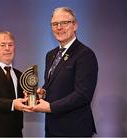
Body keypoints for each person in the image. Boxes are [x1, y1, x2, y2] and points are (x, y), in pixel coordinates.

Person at [31, 7, 98, 137]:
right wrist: (42, 92)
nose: (59, 27)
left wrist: (50, 107)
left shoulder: (85, 54)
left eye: (64, 23)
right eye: (55, 24)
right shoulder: (50, 55)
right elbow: (53, 85)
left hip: (74, 129)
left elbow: (83, 94)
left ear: (75, 25)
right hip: (52, 128)